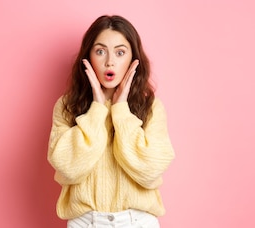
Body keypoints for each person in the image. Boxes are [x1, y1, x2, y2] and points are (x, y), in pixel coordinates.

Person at [47, 15, 175, 228]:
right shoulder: (67, 106)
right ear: (87, 56)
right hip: (85, 223)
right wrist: (97, 109)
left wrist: (121, 111)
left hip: (138, 222)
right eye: (100, 51)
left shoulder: (150, 107)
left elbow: (150, 170)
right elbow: (67, 167)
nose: (110, 61)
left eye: (120, 52)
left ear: (133, 58)